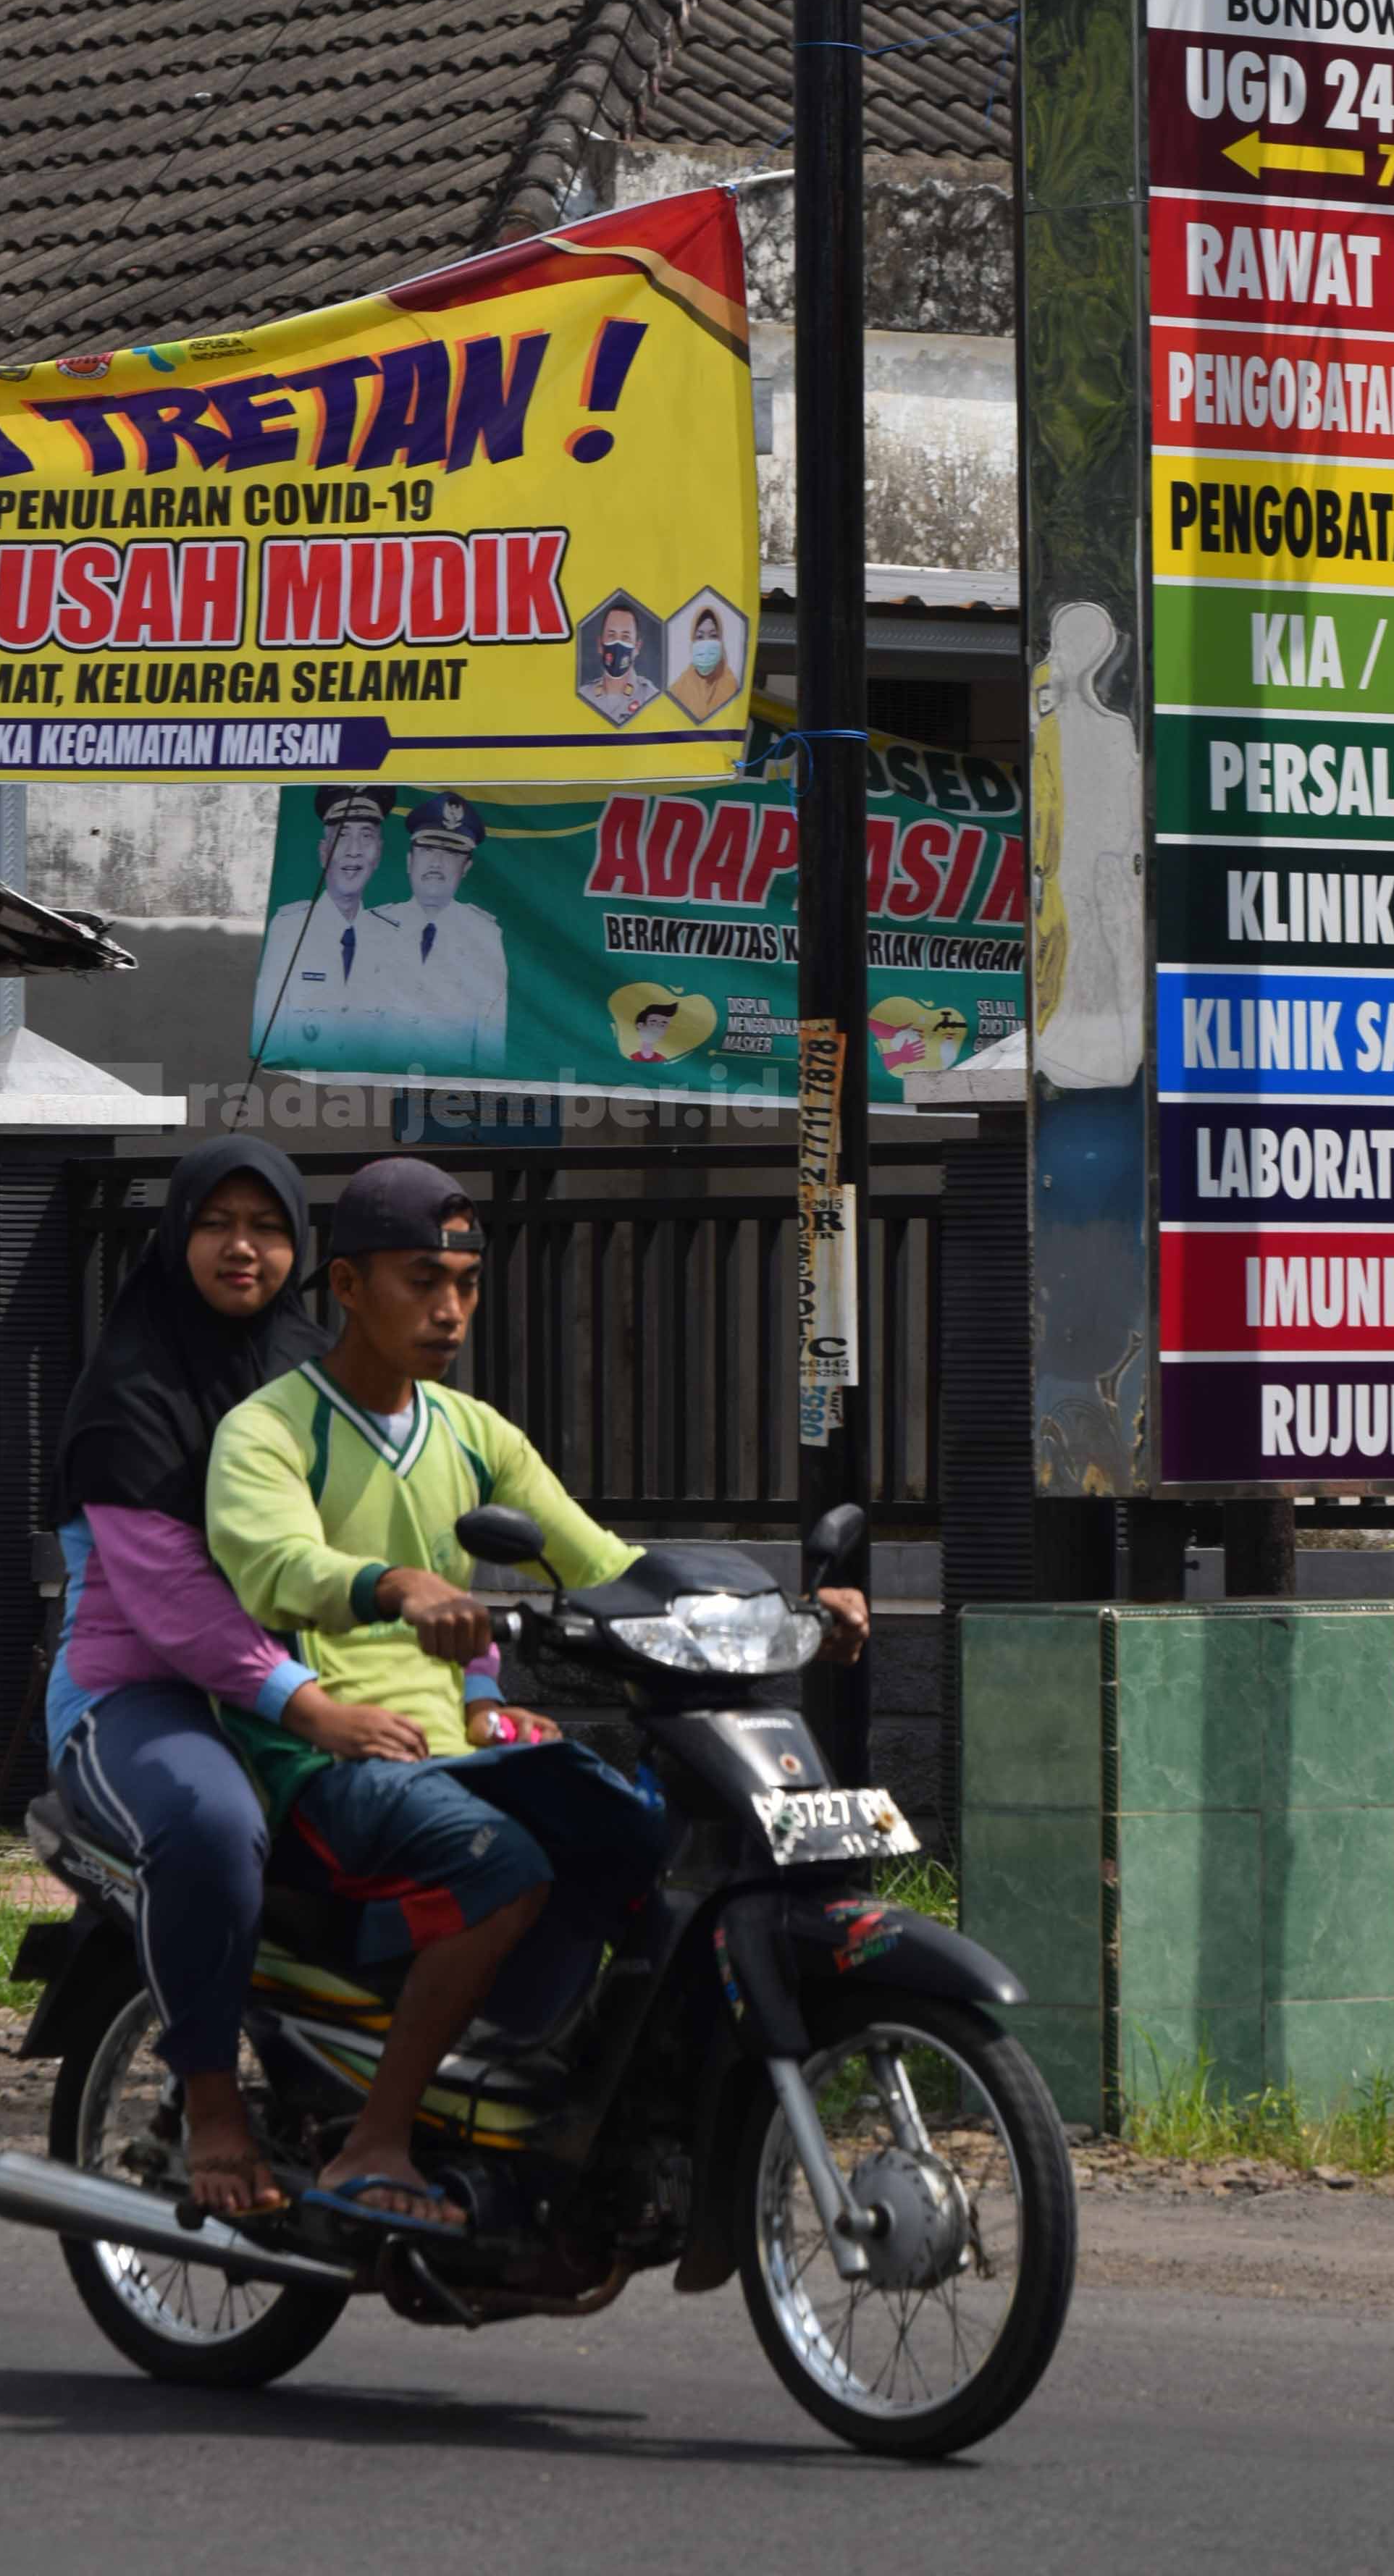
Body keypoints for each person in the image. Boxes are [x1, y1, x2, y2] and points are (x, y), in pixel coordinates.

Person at [206, 1156, 867, 2236]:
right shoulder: (272, 1430)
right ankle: (376, 2139)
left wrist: (790, 1612)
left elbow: (611, 1562)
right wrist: (390, 1584)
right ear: (347, 1288)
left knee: (631, 1835)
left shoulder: (475, 1434)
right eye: (423, 1281)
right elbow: (269, 1561)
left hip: (455, 1750)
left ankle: (540, 2094)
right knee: (507, 1868)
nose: (451, 1308)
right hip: (329, 1751)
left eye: (465, 1282)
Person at [43, 1135, 445, 2219]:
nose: (242, 1248)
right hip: (144, 1697)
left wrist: (474, 1674)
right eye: (217, 1224)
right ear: (177, 1237)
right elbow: (173, 1607)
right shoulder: (128, 1393)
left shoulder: (322, 1373)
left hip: (314, 1682)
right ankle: (213, 2101)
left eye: (267, 1227)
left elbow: (392, 1537)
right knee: (213, 1827)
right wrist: (311, 1709)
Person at [249, 785, 404, 1063]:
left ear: (379, 853)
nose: (353, 852)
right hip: (299, 1092)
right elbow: (267, 1042)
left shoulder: (392, 937)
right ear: (323, 853)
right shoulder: (289, 929)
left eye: (366, 836)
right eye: (342, 836)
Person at [395, 796, 507, 1073]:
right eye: (428, 849)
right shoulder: (372, 926)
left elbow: (491, 1027)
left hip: (447, 1082)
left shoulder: (485, 934)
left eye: (452, 853)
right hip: (371, 1080)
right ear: (410, 860)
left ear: (466, 868)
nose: (437, 862)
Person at [668, 596, 743, 727]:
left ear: (721, 640)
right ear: (692, 641)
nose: (706, 642)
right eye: (700, 637)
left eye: (713, 636)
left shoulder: (732, 685)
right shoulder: (677, 690)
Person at [579, 602, 655, 727]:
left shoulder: (651, 697)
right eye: (611, 635)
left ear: (637, 647)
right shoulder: (584, 695)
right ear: (600, 645)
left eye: (626, 637)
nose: (618, 643)